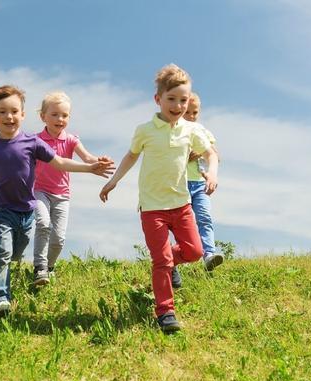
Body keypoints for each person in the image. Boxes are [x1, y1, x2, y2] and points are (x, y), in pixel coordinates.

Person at [0, 85, 114, 317]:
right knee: (3, 253)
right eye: (2, 112)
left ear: (23, 115)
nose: (9, 116)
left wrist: (89, 168)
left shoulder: (33, 143)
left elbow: (60, 163)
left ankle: (14, 259)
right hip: (0, 207)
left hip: (26, 209)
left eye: (14, 111)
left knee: (16, 251)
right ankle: (1, 297)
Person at [99, 64, 218, 333]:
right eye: (171, 99)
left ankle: (169, 261)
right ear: (158, 99)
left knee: (195, 252)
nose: (178, 106)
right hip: (152, 208)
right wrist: (113, 181)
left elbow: (210, 153)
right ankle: (165, 311)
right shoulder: (145, 130)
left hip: (182, 204)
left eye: (183, 100)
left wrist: (212, 173)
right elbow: (131, 156)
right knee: (161, 261)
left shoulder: (191, 130)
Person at [32, 92, 112, 285]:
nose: (60, 119)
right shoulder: (35, 140)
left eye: (65, 115)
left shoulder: (71, 140)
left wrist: (99, 161)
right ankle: (39, 268)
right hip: (38, 190)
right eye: (55, 115)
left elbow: (87, 158)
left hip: (62, 194)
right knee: (43, 224)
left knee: (58, 238)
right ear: (43, 116)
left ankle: (49, 267)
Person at [184, 92, 224, 271]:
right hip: (180, 184)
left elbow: (216, 155)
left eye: (195, 113)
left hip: (200, 183)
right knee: (184, 224)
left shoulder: (202, 131)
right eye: (188, 113)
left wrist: (200, 152)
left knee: (204, 217)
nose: (191, 116)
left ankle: (209, 254)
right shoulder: (174, 131)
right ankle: (182, 255)